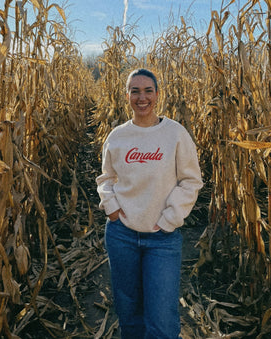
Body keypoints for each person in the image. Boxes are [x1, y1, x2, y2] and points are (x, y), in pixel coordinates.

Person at [96, 68, 203, 339]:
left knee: (162, 320)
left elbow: (191, 181)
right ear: (127, 96)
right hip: (122, 235)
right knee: (129, 313)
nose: (141, 97)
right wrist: (112, 210)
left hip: (162, 239)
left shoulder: (175, 134)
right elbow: (106, 178)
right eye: (135, 91)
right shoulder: (118, 136)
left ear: (157, 94)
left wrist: (169, 219)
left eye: (147, 91)